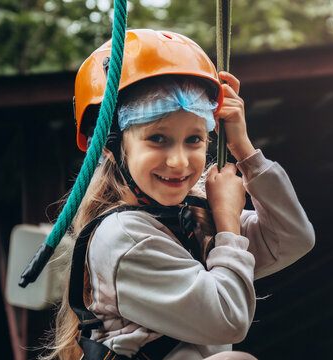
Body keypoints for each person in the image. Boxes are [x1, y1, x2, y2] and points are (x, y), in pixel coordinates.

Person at [43, 29, 315, 360]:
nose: (179, 162)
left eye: (194, 140)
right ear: (111, 146)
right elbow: (227, 321)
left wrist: (243, 149)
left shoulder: (192, 215)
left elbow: (294, 239)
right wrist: (228, 223)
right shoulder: (124, 238)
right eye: (158, 138)